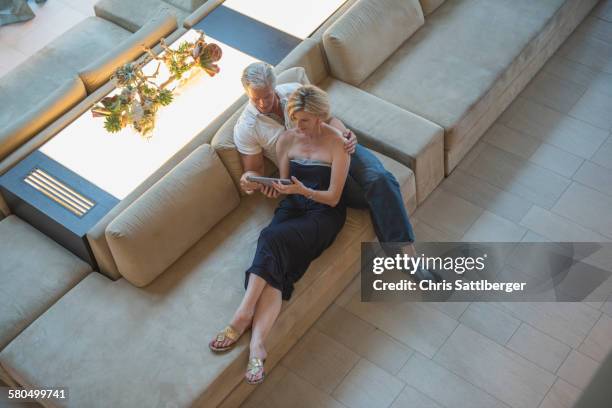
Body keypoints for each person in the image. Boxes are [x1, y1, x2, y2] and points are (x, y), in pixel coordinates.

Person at [233, 62, 437, 281]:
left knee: (381, 179)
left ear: (274, 87)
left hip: (337, 147)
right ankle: (395, 249)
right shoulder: (246, 127)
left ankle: (409, 258)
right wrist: (251, 181)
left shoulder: (294, 91)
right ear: (247, 94)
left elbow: (329, 119)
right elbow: (252, 172)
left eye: (268, 95)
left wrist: (345, 135)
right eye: (256, 98)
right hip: (314, 173)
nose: (263, 103)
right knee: (375, 194)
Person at [209, 85, 350, 385]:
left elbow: (334, 198)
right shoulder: (287, 140)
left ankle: (242, 315)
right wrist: (269, 186)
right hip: (293, 207)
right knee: (276, 265)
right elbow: (285, 184)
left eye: (305, 120)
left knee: (269, 239)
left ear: (321, 117)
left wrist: (302, 190)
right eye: (295, 118)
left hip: (323, 214)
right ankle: (258, 346)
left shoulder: (338, 144)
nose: (298, 126)